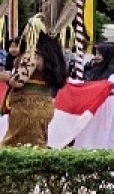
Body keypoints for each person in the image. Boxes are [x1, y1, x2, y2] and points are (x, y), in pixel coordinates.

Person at [0, 14, 68, 148]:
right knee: (37, 144)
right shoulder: (50, 56)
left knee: (17, 144)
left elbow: (18, 81)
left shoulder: (32, 55)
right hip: (44, 104)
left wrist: (6, 77)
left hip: (27, 107)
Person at [74, 43, 114, 150]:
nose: (96, 57)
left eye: (99, 54)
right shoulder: (93, 68)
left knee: (103, 130)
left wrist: (98, 87)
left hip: (106, 104)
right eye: (96, 54)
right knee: (87, 130)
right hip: (93, 104)